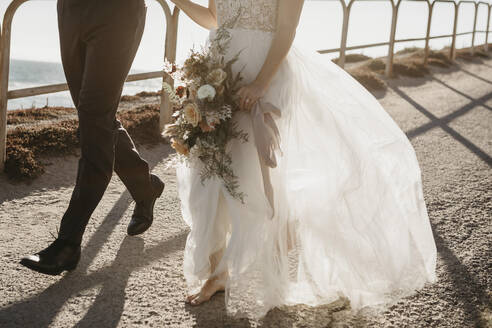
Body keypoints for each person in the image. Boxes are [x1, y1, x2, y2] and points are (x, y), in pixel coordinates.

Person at [182, 0, 437, 319]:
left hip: (264, 71)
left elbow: (286, 28)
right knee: (209, 170)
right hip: (219, 70)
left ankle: (272, 245)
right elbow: (213, 18)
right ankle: (217, 274)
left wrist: (261, 82)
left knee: (250, 175)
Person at [20, 0, 165, 276]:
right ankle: (145, 186)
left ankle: (68, 242)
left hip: (117, 13)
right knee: (95, 120)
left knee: (94, 116)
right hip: (71, 11)